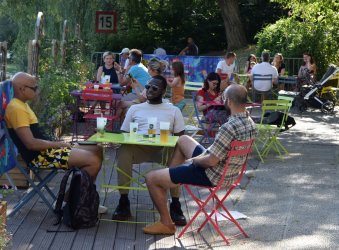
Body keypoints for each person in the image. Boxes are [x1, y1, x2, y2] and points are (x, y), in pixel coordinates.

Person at [142, 84, 256, 235]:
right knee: (183, 140)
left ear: (228, 101)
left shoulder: (229, 127)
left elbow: (210, 162)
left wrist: (194, 161)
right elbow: (217, 153)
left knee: (151, 178)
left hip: (212, 174)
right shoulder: (250, 123)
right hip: (229, 172)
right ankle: (171, 181)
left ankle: (166, 223)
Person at [4, 72, 107, 213]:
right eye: (34, 88)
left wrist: (56, 144)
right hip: (39, 157)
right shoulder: (16, 109)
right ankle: (73, 201)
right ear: (22, 89)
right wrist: (58, 144)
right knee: (93, 161)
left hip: (45, 151)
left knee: (96, 149)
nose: (37, 90)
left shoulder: (21, 104)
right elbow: (31, 144)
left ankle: (82, 197)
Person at [113, 75, 187, 226]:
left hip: (164, 149)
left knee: (177, 152)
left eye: (154, 88)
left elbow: (181, 138)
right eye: (147, 87)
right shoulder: (135, 108)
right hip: (139, 148)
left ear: (163, 91)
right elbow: (124, 133)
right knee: (124, 149)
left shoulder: (173, 110)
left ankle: (175, 204)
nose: (149, 90)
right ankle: (123, 201)